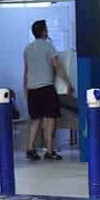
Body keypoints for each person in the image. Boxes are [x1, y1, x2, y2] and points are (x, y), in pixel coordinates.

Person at [23, 19, 74, 161]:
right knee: (50, 119)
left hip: (32, 89)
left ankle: (30, 149)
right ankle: (49, 151)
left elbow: (26, 71)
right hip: (46, 88)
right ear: (44, 32)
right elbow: (58, 67)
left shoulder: (27, 48)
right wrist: (68, 84)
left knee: (35, 120)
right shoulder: (48, 46)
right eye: (46, 29)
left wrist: (25, 89)